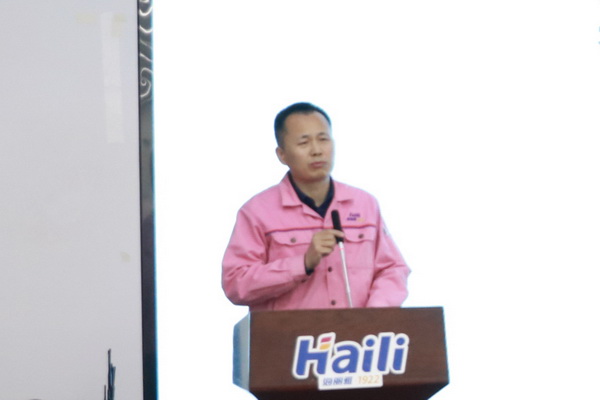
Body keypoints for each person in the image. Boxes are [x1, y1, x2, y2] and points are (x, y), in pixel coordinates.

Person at [222, 102, 410, 311]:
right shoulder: (257, 212)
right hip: (290, 332)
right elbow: (235, 283)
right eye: (304, 143)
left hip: (359, 331)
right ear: (282, 154)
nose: (317, 151)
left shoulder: (364, 204)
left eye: (323, 139)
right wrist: (303, 263)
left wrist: (375, 314)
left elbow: (392, 269)